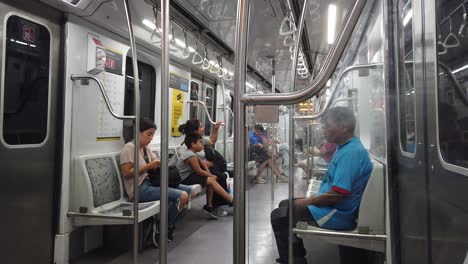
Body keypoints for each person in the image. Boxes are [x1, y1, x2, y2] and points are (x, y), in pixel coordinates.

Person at [271, 107, 373, 264]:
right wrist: (311, 199)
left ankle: (294, 260)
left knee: (280, 217)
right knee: (285, 204)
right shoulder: (345, 147)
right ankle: (294, 256)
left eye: (327, 127)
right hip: (332, 207)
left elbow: (338, 194)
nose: (324, 132)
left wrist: (308, 201)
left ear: (343, 126)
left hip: (337, 213)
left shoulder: (351, 153)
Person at [120, 118, 190, 245]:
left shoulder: (146, 149)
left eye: (152, 134)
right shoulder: (129, 148)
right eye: (148, 134)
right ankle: (162, 229)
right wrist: (149, 166)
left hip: (151, 184)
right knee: (182, 196)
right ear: (138, 133)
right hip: (139, 189)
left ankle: (165, 223)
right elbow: (126, 172)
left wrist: (159, 163)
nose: (151, 138)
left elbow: (155, 162)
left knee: (189, 192)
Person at [179, 119, 232, 215]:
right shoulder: (187, 149)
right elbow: (198, 168)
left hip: (201, 169)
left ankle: (216, 204)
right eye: (201, 126)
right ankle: (222, 203)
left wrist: (215, 129)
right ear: (195, 131)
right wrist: (209, 173)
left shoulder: (198, 141)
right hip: (190, 174)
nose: (203, 128)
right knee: (218, 177)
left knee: (220, 175)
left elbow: (211, 141)